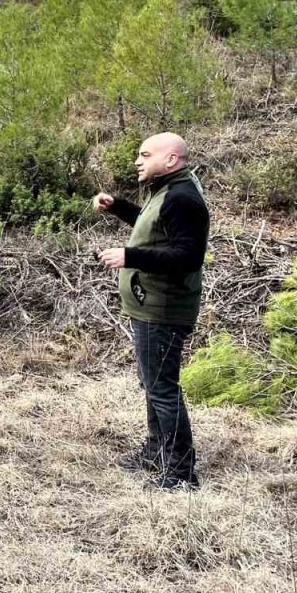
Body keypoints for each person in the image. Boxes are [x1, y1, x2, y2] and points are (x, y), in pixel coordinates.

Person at [94, 132, 209, 491]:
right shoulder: (169, 189)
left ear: (171, 159)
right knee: (153, 384)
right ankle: (156, 451)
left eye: (145, 154)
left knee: (162, 388)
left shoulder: (183, 198)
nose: (137, 161)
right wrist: (118, 207)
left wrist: (130, 256)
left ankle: (180, 474)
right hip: (151, 305)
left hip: (163, 309)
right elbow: (153, 226)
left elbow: (188, 257)